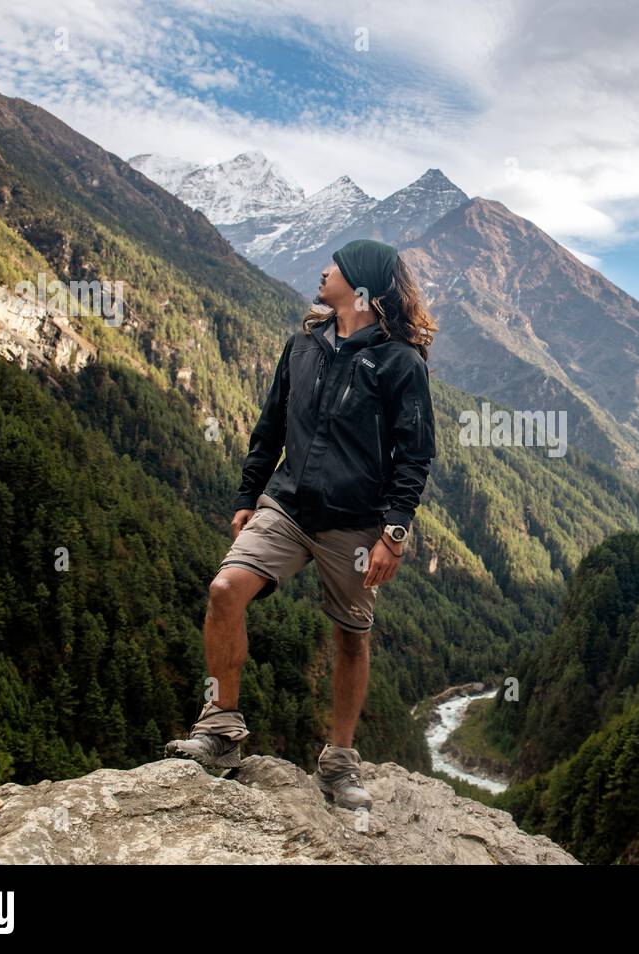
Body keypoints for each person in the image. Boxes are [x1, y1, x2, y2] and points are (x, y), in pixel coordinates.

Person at [164, 238, 438, 812]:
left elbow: (414, 455)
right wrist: (248, 493)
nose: (323, 271)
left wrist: (394, 531)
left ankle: (338, 764)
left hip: (357, 523)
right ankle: (220, 731)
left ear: (359, 284)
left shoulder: (400, 363)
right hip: (287, 504)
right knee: (223, 590)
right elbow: (271, 425)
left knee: (351, 636)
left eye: (335, 266)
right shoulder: (304, 345)